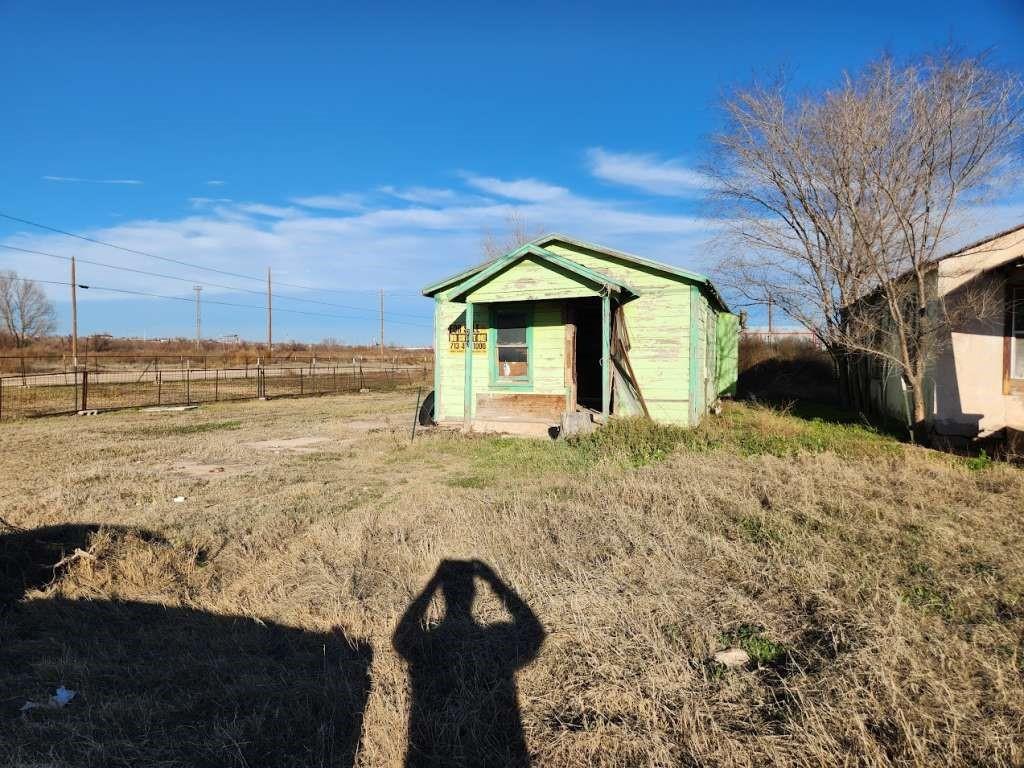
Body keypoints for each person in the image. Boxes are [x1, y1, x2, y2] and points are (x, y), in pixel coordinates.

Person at [393, 559, 544, 767]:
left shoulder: (432, 645)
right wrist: (493, 581)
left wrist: (432, 585)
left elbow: (401, 638)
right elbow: (535, 633)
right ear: (474, 595)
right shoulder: (495, 639)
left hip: (428, 751)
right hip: (499, 748)